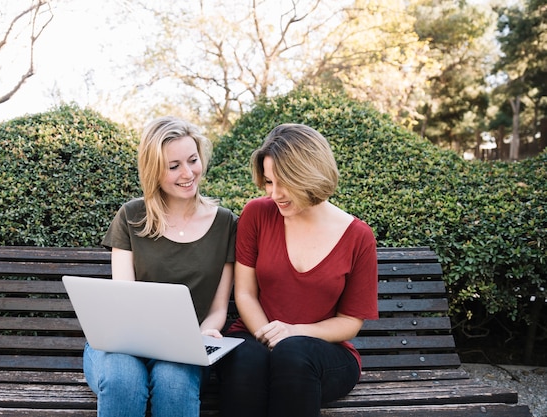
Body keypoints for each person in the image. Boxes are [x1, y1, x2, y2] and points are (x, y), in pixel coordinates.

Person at [217, 123, 379, 417]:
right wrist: (269, 338)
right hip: (254, 336)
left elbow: (349, 322)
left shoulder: (358, 236)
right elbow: (245, 293)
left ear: (310, 175)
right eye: (268, 182)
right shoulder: (257, 214)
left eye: (284, 182)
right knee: (245, 361)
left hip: (321, 353)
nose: (275, 193)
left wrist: (293, 333)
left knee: (292, 355)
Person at [83, 116, 237, 417]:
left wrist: (206, 333)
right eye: (174, 166)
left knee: (173, 381)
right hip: (124, 344)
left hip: (186, 347)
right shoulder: (131, 216)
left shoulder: (225, 223)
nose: (188, 173)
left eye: (193, 160)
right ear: (154, 170)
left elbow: (218, 308)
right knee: (122, 380)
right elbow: (123, 299)